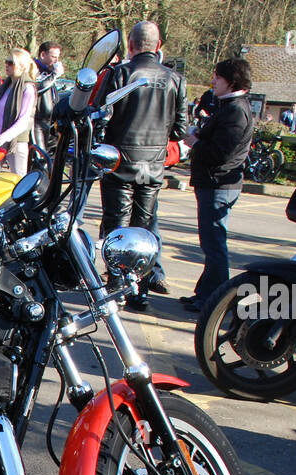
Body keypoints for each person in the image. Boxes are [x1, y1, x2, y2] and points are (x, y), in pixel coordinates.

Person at [96, 21, 186, 308]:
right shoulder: (175, 79)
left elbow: (100, 115)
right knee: (144, 228)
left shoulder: (121, 74)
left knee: (116, 225)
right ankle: (139, 289)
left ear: (131, 46)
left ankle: (115, 283)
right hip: (153, 163)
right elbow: (181, 129)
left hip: (120, 159)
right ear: (157, 46)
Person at [180, 58, 256, 313]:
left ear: (231, 81)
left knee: (214, 243)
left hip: (219, 183)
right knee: (210, 242)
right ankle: (206, 293)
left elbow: (221, 152)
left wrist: (195, 143)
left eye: (217, 77)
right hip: (216, 183)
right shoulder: (230, 106)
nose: (213, 81)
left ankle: (216, 299)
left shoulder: (235, 110)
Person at [0, 48, 37, 174]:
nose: (7, 65)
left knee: (19, 183)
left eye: (11, 63)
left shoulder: (28, 88)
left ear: (22, 66)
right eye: (6, 61)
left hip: (16, 142)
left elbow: (23, 122)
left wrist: (1, 139)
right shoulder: (5, 86)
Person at [32, 40, 64, 160]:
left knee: (52, 158)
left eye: (58, 57)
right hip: (37, 122)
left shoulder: (48, 71)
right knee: (39, 159)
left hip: (50, 122)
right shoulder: (33, 69)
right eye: (53, 57)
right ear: (43, 55)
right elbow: (36, 88)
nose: (56, 61)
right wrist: (55, 75)